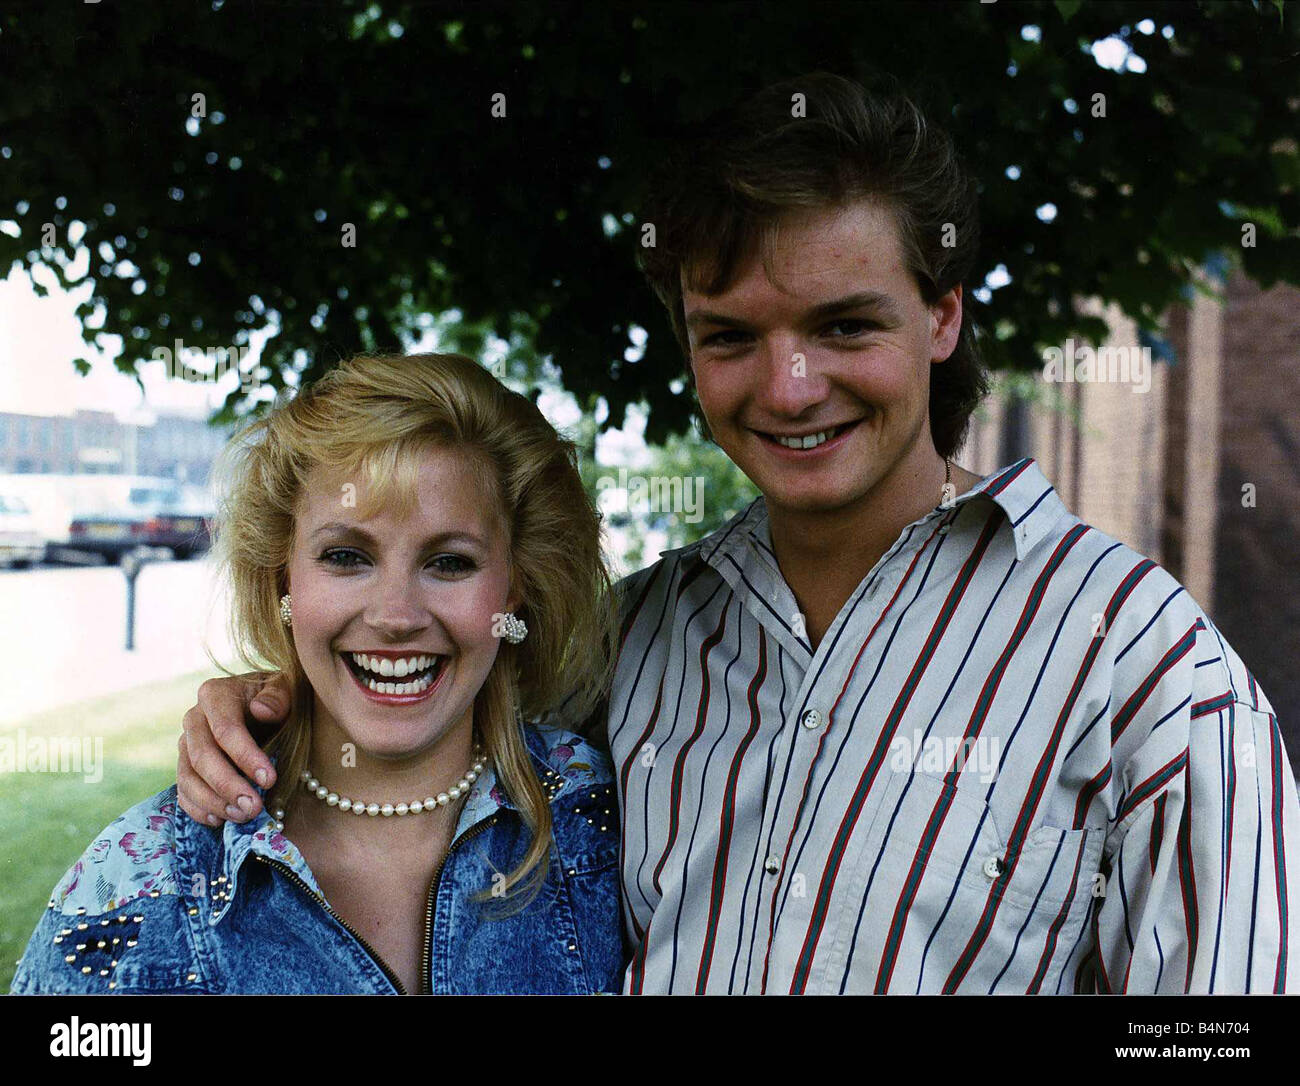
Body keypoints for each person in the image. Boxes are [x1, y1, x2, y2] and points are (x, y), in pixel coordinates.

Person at [170, 73, 1299, 994]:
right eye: (731, 337)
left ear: (942, 315)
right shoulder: (627, 644)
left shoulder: (1141, 664)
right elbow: (408, 729)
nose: (790, 386)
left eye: (844, 325)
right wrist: (262, 715)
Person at [11, 352, 624, 994]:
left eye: (449, 562)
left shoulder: (607, 817)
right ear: (283, 578)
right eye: (345, 556)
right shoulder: (142, 879)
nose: (395, 616)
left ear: (516, 588)